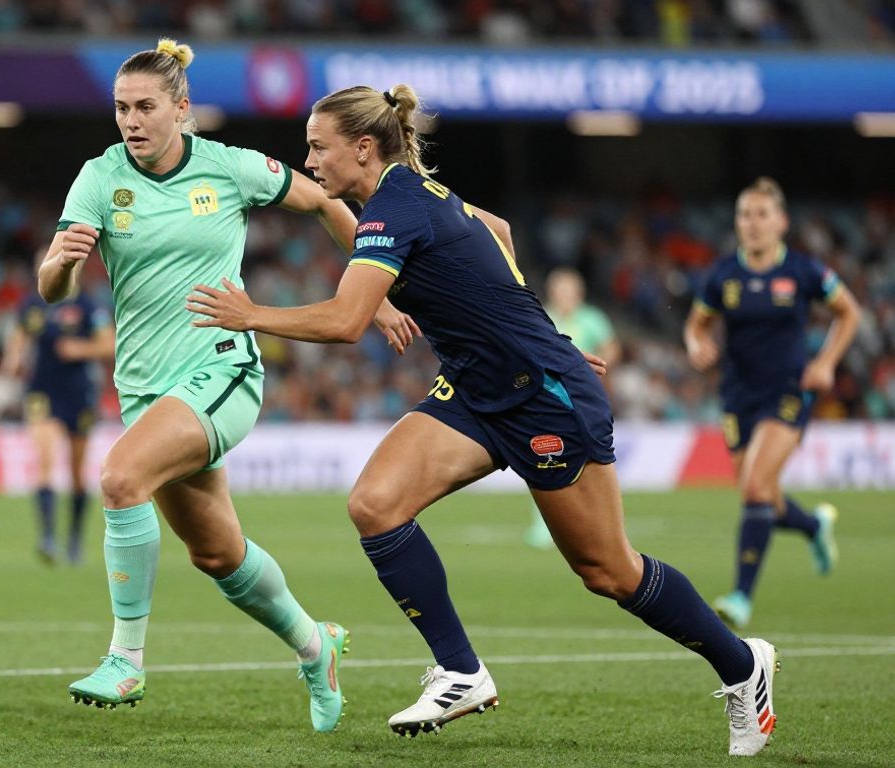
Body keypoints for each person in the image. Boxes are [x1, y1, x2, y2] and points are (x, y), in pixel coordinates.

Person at [187, 84, 780, 756]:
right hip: (477, 388)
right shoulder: (412, 196)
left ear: (361, 147)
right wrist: (527, 325)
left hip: (545, 398)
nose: (310, 161)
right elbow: (493, 231)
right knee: (376, 504)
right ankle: (462, 670)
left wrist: (252, 315)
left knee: (609, 571)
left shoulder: (392, 209)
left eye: (318, 148)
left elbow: (348, 321)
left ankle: (742, 667)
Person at [37, 39, 418, 733]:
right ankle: (315, 644)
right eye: (121, 108)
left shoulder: (232, 167)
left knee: (121, 477)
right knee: (216, 553)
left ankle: (125, 660)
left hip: (223, 369)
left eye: (146, 107)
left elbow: (327, 203)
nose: (131, 120)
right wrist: (60, 266)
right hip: (148, 389)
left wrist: (376, 289)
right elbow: (53, 289)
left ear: (182, 110)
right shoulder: (98, 178)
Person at [683, 177, 859, 629]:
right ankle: (814, 526)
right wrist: (695, 342)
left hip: (788, 392)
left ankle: (741, 595)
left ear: (781, 221)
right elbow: (696, 323)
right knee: (758, 492)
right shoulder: (723, 275)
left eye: (763, 214)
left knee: (757, 489)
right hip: (738, 396)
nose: (753, 223)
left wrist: (826, 363)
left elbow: (849, 312)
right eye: (746, 214)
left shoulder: (803, 270)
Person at [4, 266, 116, 565]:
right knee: (44, 461)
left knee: (78, 473)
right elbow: (19, 335)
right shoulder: (33, 304)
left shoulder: (88, 306)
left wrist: (80, 349)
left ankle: (75, 539)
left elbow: (109, 344)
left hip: (79, 394)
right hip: (42, 391)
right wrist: (13, 358)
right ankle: (48, 537)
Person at [525, 268, 621, 549]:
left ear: (579, 293)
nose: (564, 296)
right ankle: (544, 524)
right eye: (559, 290)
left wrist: (596, 368)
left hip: (584, 401)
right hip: (545, 399)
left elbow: (612, 348)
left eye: (569, 290)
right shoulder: (541, 316)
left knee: (590, 460)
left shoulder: (592, 319)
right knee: (543, 456)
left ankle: (598, 522)